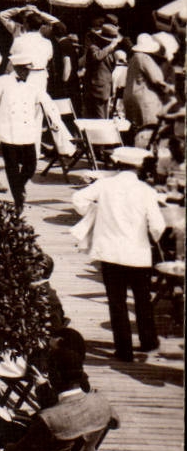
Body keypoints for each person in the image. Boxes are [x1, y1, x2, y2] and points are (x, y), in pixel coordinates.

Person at [71, 148, 166, 363]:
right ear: (139, 167)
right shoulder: (145, 191)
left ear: (117, 165)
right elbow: (157, 225)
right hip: (138, 253)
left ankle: (124, 350)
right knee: (142, 300)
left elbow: (78, 198)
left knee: (117, 302)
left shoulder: (105, 185)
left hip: (110, 252)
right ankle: (148, 341)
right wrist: (154, 239)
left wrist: (94, 213)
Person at [0, 40, 74, 209]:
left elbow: (48, 104)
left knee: (31, 165)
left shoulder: (34, 85)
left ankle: (19, 186)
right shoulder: (3, 81)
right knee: (11, 166)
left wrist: (55, 123)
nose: (27, 73)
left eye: (29, 70)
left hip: (27, 130)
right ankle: (18, 199)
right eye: (25, 69)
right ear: (17, 68)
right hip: (8, 128)